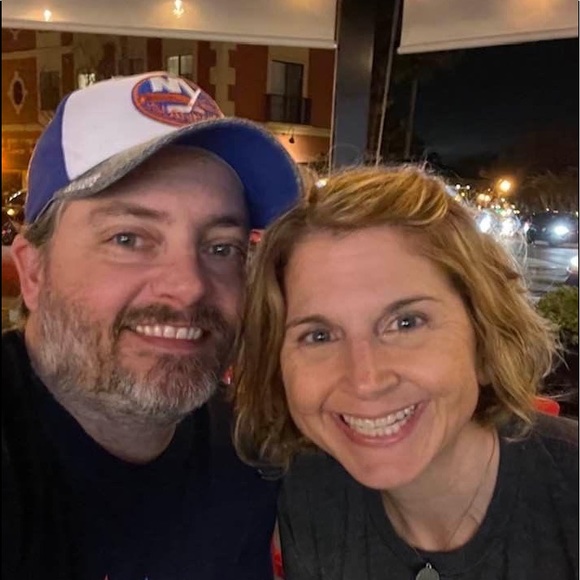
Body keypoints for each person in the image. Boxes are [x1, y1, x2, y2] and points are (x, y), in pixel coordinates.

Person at [2, 71, 301, 580]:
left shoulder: (250, 455)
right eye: (129, 239)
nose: (189, 286)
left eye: (221, 247)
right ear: (33, 271)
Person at [233, 165, 578, 580]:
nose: (366, 380)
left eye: (406, 323)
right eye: (319, 335)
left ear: (485, 338)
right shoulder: (309, 494)